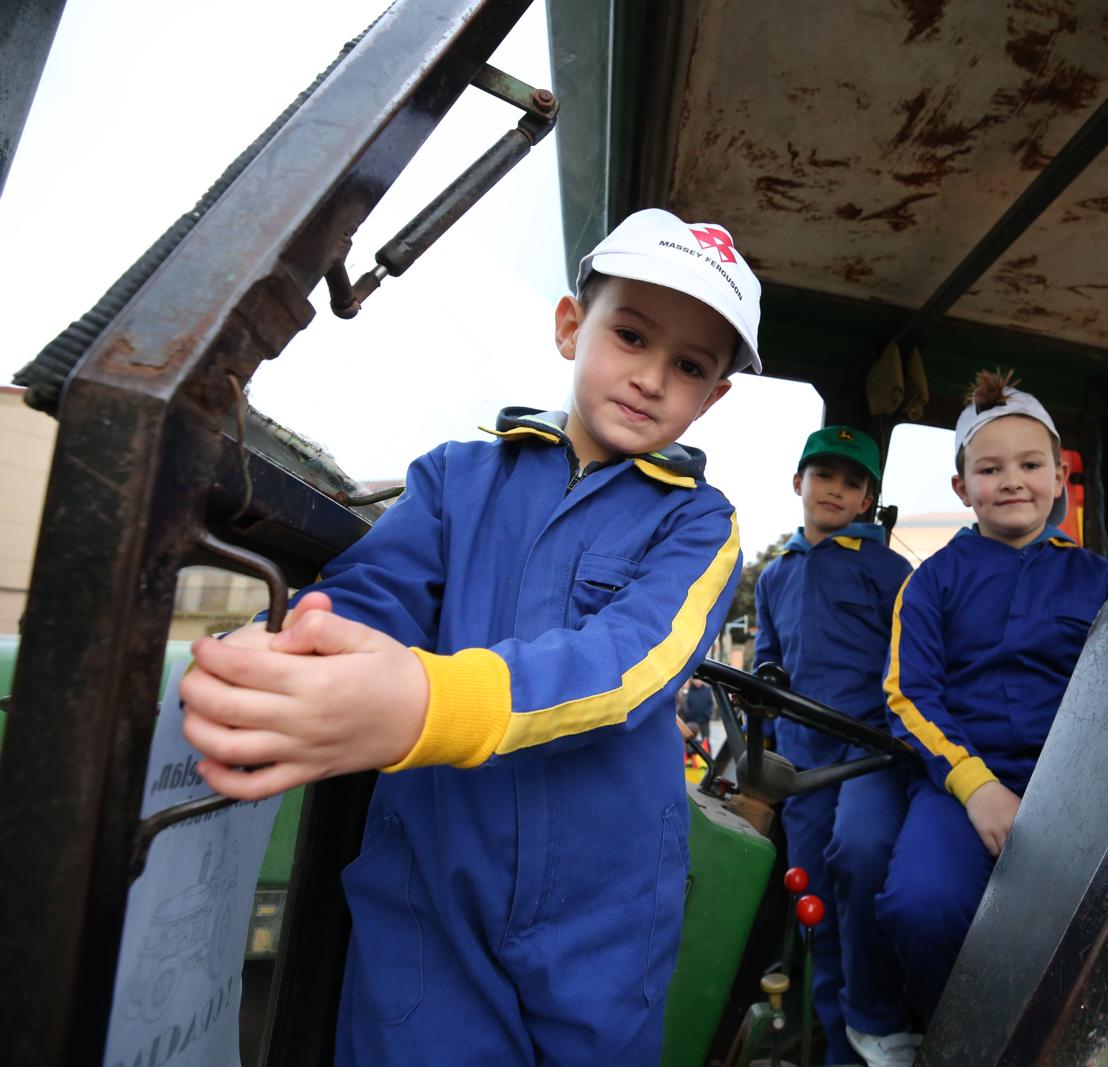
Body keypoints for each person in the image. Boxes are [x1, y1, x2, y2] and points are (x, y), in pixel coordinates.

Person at [178, 208, 761, 1064]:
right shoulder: (459, 475)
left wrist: (429, 699)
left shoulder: (701, 524)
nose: (651, 377)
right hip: (432, 881)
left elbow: (635, 659)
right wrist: (301, 652)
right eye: (631, 335)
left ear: (713, 398)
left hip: (604, 904)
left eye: (689, 366)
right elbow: (374, 592)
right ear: (572, 328)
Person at [875, 370, 1108, 1025]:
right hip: (960, 781)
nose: (1012, 479)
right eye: (989, 469)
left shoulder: (1105, 581)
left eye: (1030, 464)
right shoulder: (931, 582)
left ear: (1059, 478)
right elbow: (909, 695)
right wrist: (975, 784)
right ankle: (949, 1036)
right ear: (963, 489)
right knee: (921, 905)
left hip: (1075, 781)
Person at [754, 425, 919, 1067]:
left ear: (866, 501)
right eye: (825, 476)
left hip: (868, 756)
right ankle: (834, 1049)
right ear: (799, 482)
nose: (836, 490)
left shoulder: (888, 569)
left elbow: (909, 663)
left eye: (853, 483)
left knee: (859, 865)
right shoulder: (775, 577)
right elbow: (770, 664)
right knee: (812, 905)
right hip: (799, 765)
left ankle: (882, 1025)